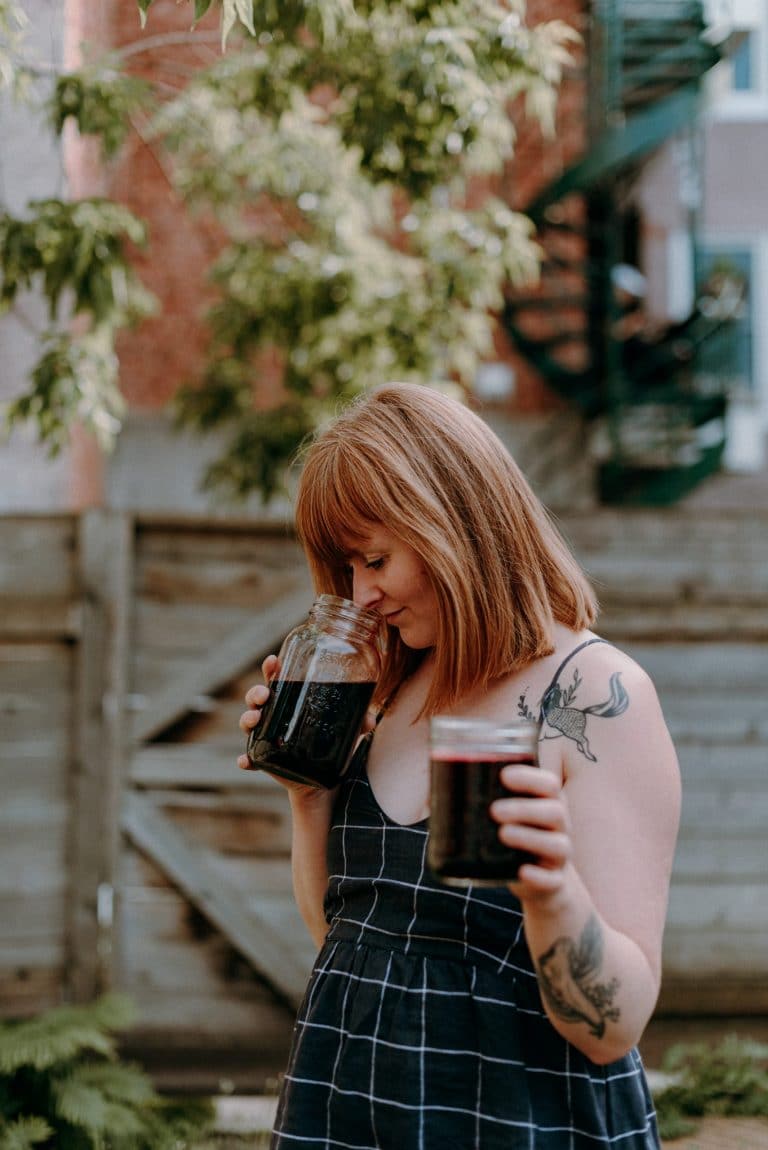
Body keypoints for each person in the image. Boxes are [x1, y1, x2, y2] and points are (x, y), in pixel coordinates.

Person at [238, 382, 681, 1149]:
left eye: (375, 559)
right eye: (345, 571)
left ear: (456, 526)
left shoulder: (597, 695)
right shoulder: (392, 684)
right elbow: (346, 942)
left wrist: (549, 892)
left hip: (513, 1121)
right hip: (349, 1108)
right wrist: (307, 797)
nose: (360, 597)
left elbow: (614, 1026)